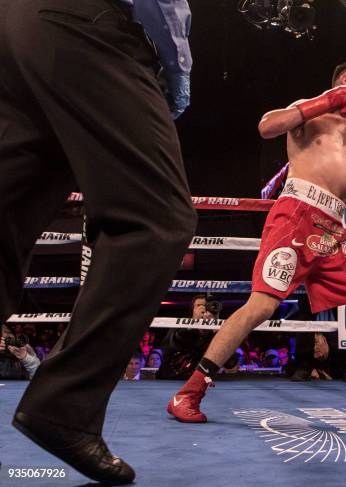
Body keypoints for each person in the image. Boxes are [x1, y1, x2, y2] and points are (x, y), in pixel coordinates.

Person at [167, 60, 346, 423]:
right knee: (260, 307)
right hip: (295, 215)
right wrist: (325, 101)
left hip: (334, 230)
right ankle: (189, 392)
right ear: (344, 81)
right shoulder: (311, 111)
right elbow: (266, 127)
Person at [0, 0, 196, 483]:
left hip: (17, 27)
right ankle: (63, 406)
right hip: (86, 21)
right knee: (156, 216)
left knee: (7, 210)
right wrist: (178, 70)